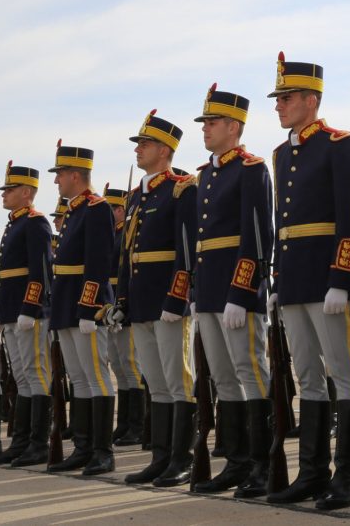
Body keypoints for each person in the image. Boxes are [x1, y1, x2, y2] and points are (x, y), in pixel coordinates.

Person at [260, 53, 350, 507]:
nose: (279, 106)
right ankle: (311, 473)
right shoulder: (282, 153)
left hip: (327, 280)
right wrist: (278, 281)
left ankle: (346, 478)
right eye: (278, 98)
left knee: (344, 375)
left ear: (311, 99)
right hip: (295, 281)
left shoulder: (339, 144)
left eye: (287, 98)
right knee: (307, 376)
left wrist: (343, 278)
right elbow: (283, 225)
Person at [188, 85, 275, 498]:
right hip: (208, 291)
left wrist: (241, 293)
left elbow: (257, 239)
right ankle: (237, 462)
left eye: (212, 122)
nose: (205, 129)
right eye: (204, 122)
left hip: (235, 292)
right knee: (223, 379)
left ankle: (261, 464)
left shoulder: (251, 169)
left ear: (234, 127)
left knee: (250, 373)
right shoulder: (205, 175)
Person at [119, 111, 199, 487]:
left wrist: (177, 298)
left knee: (178, 379)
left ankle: (182, 459)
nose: (139, 150)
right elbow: (128, 253)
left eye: (146, 144)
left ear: (165, 150)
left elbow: (186, 251)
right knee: (155, 380)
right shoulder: (137, 197)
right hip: (141, 300)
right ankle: (161, 456)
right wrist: (122, 300)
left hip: (168, 300)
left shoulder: (181, 189)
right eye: (138, 144)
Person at [48, 142, 117, 475]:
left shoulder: (96, 208)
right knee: (78, 379)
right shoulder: (75, 210)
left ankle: (103, 451)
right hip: (65, 302)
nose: (57, 181)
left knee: (96, 378)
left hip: (84, 303)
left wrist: (90, 307)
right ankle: (83, 446)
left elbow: (99, 262)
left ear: (75, 175)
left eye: (60, 174)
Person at [0, 161, 54, 467]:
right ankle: (22, 441)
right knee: (23, 376)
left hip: (30, 314)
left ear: (26, 192)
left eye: (10, 190)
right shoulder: (15, 223)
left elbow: (39, 270)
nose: (4, 194)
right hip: (13, 312)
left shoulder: (35, 223)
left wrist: (30, 307)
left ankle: (39, 443)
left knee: (36, 374)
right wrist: (4, 313)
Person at [102, 183, 147, 448]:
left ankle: (137, 425)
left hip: (124, 303)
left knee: (131, 366)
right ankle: (125, 423)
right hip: (114, 304)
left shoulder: (125, 234)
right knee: (119, 366)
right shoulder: (114, 235)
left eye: (113, 209)